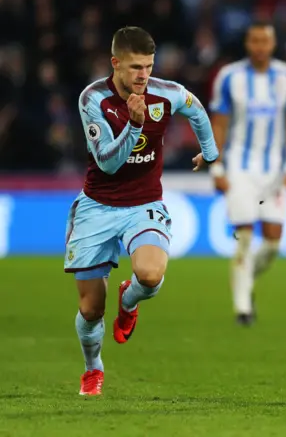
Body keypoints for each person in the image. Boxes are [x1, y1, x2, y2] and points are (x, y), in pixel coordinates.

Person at [65, 26, 219, 396]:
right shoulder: (93, 99)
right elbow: (107, 164)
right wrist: (134, 126)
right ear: (115, 63)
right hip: (97, 207)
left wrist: (211, 151)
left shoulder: (164, 92)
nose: (143, 75)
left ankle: (129, 299)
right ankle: (93, 368)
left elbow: (195, 108)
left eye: (149, 66)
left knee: (150, 276)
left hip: (144, 203)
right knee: (90, 310)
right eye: (135, 67)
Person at [208, 22, 286, 326]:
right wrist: (216, 165)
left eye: (265, 41)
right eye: (254, 40)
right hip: (239, 166)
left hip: (274, 168)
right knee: (244, 238)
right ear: (247, 43)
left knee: (274, 243)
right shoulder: (229, 77)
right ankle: (242, 308)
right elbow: (220, 123)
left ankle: (245, 280)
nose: (260, 46)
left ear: (273, 44)